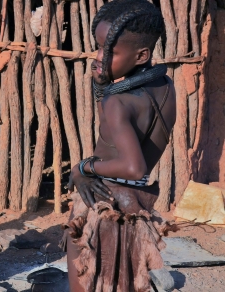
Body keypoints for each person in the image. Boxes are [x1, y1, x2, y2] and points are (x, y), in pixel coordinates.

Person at [64, 0, 177, 291]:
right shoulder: (164, 86)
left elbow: (131, 165)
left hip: (104, 205)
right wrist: (102, 85)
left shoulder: (119, 102)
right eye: (98, 47)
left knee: (86, 281)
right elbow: (121, 135)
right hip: (137, 206)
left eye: (110, 51)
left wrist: (83, 168)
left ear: (141, 55)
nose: (99, 57)